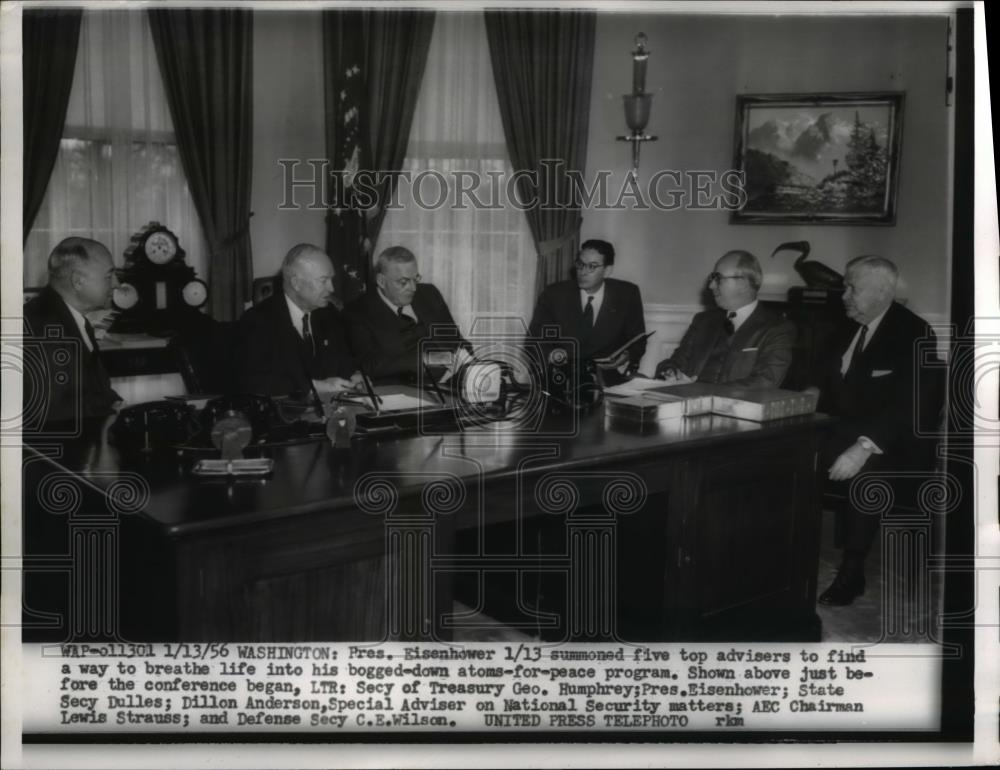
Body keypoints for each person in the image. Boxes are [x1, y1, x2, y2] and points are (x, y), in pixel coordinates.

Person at [814, 256, 942, 606]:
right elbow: (821, 382)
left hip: (894, 444)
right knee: (787, 455)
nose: (844, 295)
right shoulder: (843, 326)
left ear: (883, 291)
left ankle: (852, 572)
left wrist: (862, 447)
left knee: (865, 476)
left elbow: (911, 406)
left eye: (852, 287)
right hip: (840, 430)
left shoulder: (914, 332)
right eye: (845, 285)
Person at [654, 250, 795, 387]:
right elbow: (675, 362)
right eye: (712, 278)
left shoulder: (778, 329)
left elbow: (764, 383)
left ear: (744, 283)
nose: (711, 286)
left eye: (718, 279)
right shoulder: (703, 321)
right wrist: (670, 372)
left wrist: (699, 391)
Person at [235, 244, 360, 397]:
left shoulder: (329, 313)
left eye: (331, 279)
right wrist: (313, 387)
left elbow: (343, 359)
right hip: (283, 415)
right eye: (323, 280)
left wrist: (355, 376)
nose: (332, 288)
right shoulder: (257, 320)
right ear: (296, 283)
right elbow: (252, 382)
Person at [23, 238, 121, 425]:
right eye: (109, 277)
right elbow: (56, 413)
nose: (116, 284)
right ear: (78, 281)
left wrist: (114, 401)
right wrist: (110, 411)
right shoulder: (44, 327)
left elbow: (88, 389)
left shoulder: (70, 317)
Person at [528, 239, 646, 386]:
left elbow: (638, 340)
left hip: (608, 379)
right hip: (562, 379)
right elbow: (534, 339)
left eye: (592, 267)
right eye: (580, 264)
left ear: (607, 270)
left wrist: (627, 355)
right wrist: (552, 355)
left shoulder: (627, 294)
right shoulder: (554, 294)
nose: (582, 272)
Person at [346, 246, 469, 383]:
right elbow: (369, 365)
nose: (413, 288)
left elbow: (457, 341)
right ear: (381, 281)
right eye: (403, 282)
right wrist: (423, 358)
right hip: (409, 390)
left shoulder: (429, 294)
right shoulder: (357, 311)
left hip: (455, 381)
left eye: (415, 279)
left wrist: (471, 365)